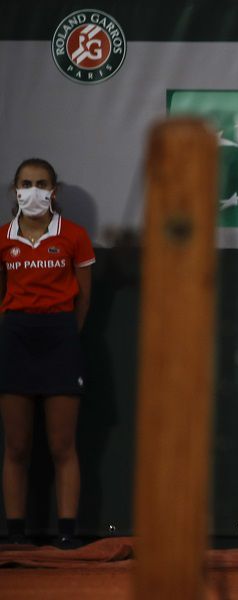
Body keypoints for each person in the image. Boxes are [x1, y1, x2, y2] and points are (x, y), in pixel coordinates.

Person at [0, 158, 95, 548]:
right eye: (26, 183)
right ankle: (17, 534)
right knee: (17, 445)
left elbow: (84, 298)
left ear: (53, 192)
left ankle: (67, 534)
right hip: (16, 337)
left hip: (60, 337)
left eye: (41, 183)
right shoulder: (3, 238)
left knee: (62, 444)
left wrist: (65, 335)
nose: (33, 190)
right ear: (15, 190)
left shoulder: (74, 236)